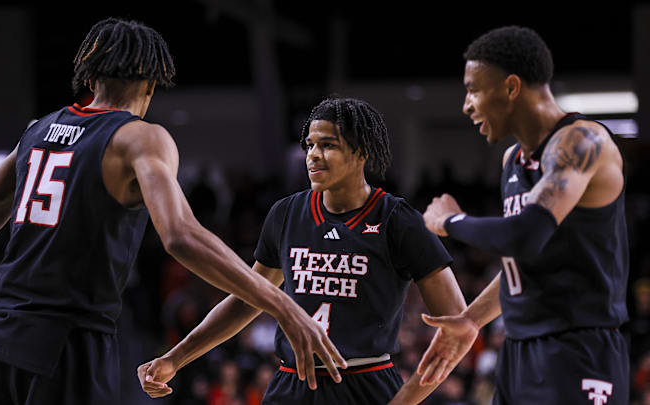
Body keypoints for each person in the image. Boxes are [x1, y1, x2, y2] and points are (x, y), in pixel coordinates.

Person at [0, 18, 345, 405]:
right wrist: (285, 307)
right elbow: (181, 236)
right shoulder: (139, 138)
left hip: (1, 341)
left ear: (89, 77)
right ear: (152, 84)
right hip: (68, 346)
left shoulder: (36, 132)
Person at [138, 97, 470, 404]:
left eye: (328, 145)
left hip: (365, 383)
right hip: (290, 383)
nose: (312, 154)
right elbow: (245, 301)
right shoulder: (286, 214)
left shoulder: (398, 220)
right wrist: (175, 358)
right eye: (310, 144)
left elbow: (459, 323)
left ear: (361, 152)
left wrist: (405, 401)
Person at [413, 26, 629, 404]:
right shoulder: (512, 159)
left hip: (578, 350)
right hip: (519, 352)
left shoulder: (582, 142)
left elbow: (525, 235)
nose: (466, 105)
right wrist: (470, 320)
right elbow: (524, 258)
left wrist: (450, 221)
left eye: (473, 89)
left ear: (511, 87)